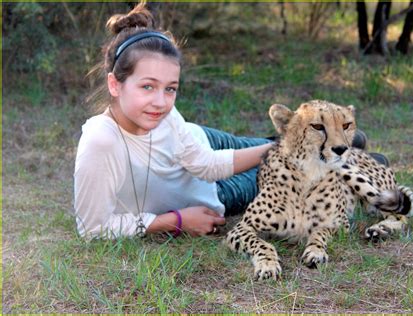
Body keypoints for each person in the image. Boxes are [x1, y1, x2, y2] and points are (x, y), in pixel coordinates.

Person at [74, 4, 381, 240]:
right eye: (147, 87)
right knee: (296, 169)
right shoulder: (101, 142)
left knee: (291, 150)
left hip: (202, 144)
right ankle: (359, 158)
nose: (160, 101)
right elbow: (92, 228)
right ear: (116, 85)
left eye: (171, 89)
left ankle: (328, 146)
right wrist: (178, 220)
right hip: (215, 193)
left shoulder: (163, 114)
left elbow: (206, 163)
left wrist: (282, 145)